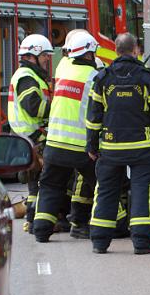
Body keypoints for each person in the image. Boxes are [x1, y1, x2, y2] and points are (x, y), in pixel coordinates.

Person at [87, 33, 150, 254]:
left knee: (107, 191)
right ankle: (141, 242)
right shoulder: (147, 79)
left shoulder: (102, 79)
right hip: (141, 148)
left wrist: (91, 146)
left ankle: (100, 242)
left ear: (116, 50)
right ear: (136, 50)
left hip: (110, 149)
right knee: (142, 190)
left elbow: (93, 118)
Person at [32, 33, 100, 243]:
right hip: (81, 147)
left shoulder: (62, 67)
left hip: (54, 143)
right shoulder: (94, 76)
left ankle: (42, 230)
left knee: (51, 186)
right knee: (104, 185)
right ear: (89, 54)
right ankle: (115, 225)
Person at [8, 34, 53, 233]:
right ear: (34, 54)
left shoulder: (29, 75)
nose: (46, 60)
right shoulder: (26, 77)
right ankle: (36, 221)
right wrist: (58, 107)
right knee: (43, 180)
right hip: (31, 137)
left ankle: (32, 220)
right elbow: (33, 107)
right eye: (44, 56)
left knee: (35, 184)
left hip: (29, 137)